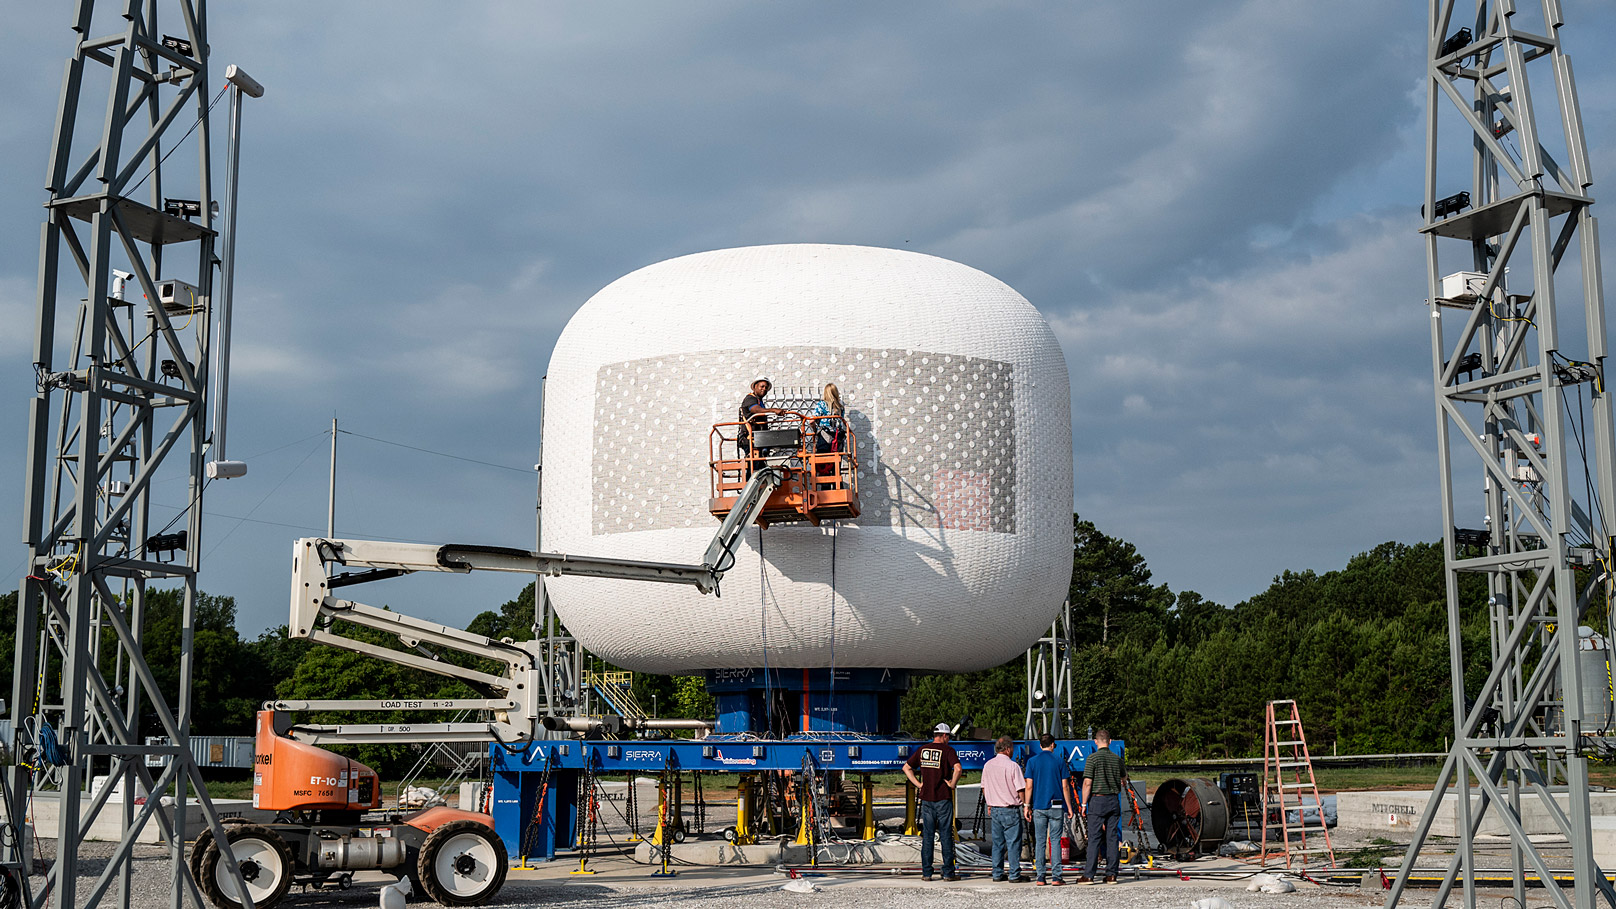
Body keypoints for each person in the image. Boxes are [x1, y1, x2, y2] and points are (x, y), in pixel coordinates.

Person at [903, 722, 962, 881]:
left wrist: (919, 784)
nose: (949, 739)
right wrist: (952, 784)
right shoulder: (948, 750)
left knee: (928, 837)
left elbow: (906, 767)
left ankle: (927, 873)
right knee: (945, 836)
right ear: (944, 736)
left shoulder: (923, 750)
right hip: (943, 798)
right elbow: (957, 768)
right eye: (948, 736)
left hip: (927, 799)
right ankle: (948, 873)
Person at [1022, 733, 1068, 885]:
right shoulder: (1060, 761)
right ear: (1053, 744)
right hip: (1056, 806)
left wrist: (1027, 805)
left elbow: (1029, 786)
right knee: (1055, 841)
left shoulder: (1032, 762)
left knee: (1040, 841)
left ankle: (1040, 876)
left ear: (1040, 745)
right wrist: (1069, 807)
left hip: (1039, 806)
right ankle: (1056, 876)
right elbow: (1065, 786)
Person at [980, 735, 1027, 882]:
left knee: (997, 844)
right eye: (1012, 748)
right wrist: (1026, 805)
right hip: (1010, 809)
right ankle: (1014, 874)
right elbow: (1020, 789)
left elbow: (984, 788)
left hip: (995, 809)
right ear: (1007, 749)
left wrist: (989, 803)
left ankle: (997, 873)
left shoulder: (988, 765)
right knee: (1013, 843)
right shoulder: (1013, 766)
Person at [1081, 729, 1125, 885]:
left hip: (1097, 801)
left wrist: (1084, 804)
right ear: (1110, 741)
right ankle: (1112, 875)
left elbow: (1087, 783)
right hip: (1113, 801)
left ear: (1095, 741)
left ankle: (1089, 875)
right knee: (1112, 838)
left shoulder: (1092, 759)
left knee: (1094, 839)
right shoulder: (1116, 759)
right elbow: (1123, 778)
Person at [736, 378, 779, 469]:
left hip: (759, 440)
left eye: (766, 387)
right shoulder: (750, 399)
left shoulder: (759, 401)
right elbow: (755, 410)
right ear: (755, 387)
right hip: (750, 439)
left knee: (760, 467)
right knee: (754, 467)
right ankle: (750, 481)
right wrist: (773, 410)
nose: (764, 389)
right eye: (762, 386)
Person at [808, 382, 845, 454]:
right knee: (836, 462)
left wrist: (815, 431)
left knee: (822, 462)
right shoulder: (840, 407)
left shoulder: (821, 404)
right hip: (838, 438)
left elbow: (811, 421)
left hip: (824, 437)